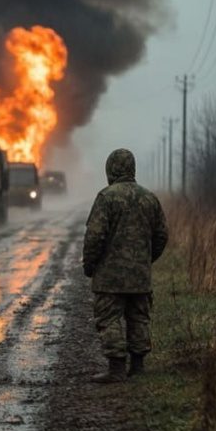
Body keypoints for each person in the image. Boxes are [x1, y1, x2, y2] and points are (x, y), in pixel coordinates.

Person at [82, 148, 169, 383]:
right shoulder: (149, 198)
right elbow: (161, 235)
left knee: (109, 319)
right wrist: (146, 260)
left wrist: (90, 265)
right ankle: (138, 366)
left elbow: (95, 236)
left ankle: (116, 368)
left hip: (109, 278)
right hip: (140, 276)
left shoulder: (106, 197)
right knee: (138, 318)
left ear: (111, 169)